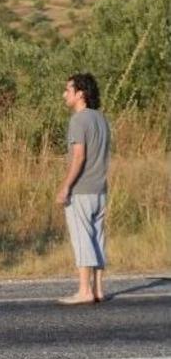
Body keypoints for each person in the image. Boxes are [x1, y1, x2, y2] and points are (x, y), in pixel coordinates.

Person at [56, 73, 111, 305]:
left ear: (80, 94)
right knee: (98, 237)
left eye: (68, 90)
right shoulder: (102, 119)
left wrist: (65, 186)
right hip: (100, 189)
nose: (64, 95)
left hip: (82, 189)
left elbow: (79, 157)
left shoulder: (78, 120)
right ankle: (98, 289)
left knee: (82, 239)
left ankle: (84, 290)